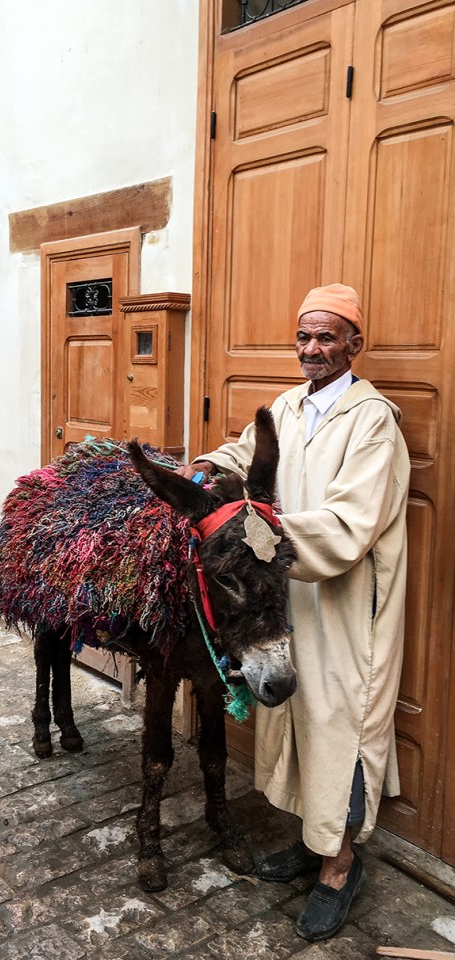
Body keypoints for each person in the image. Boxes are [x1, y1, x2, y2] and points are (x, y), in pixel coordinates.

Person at [179, 284, 410, 942]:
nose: (312, 348)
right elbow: (246, 452)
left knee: (342, 725)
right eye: (304, 336)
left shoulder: (373, 422)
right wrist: (205, 465)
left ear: (354, 345)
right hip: (285, 598)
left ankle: (339, 868)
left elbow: (350, 523)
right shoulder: (288, 405)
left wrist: (256, 535)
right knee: (299, 718)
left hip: (343, 605)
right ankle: (314, 844)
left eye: (327, 337)